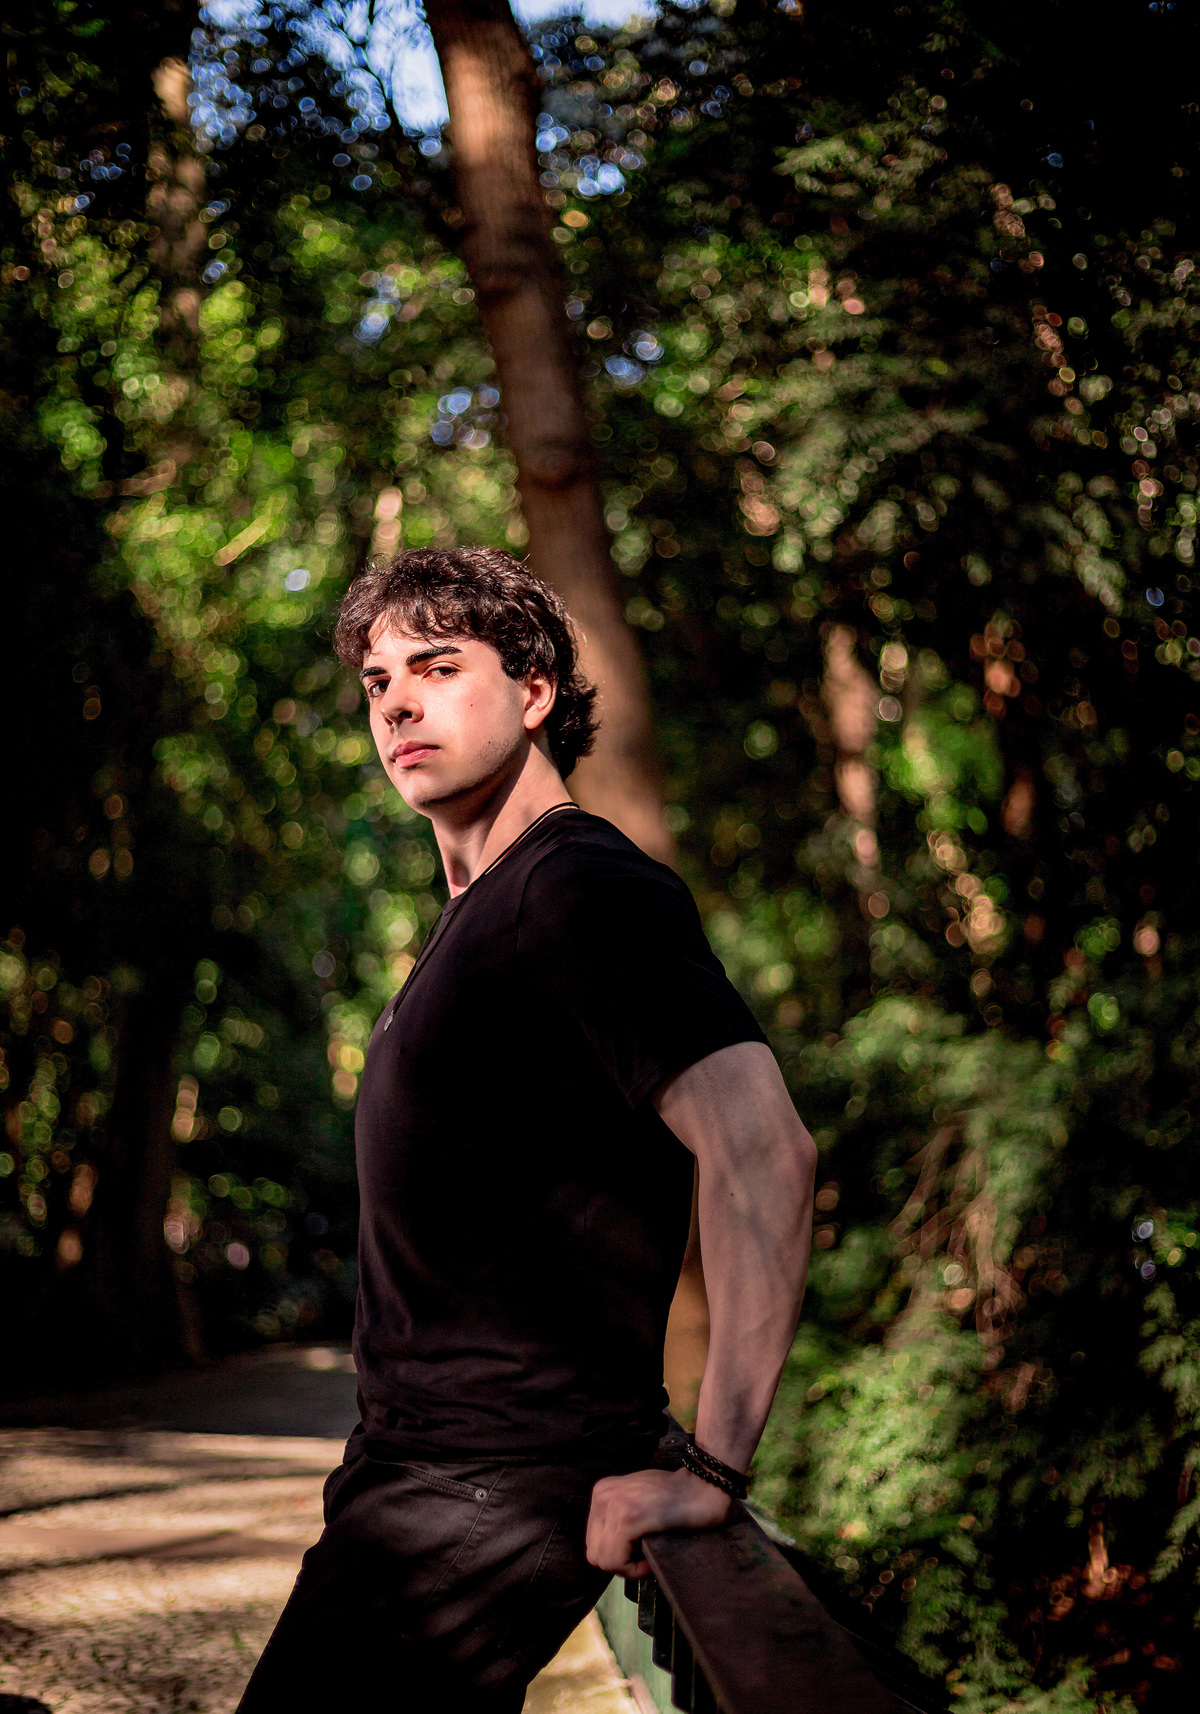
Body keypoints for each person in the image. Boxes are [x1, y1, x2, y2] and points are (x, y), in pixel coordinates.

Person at [236, 547, 816, 1712]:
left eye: (438, 667)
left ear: (535, 689)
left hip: (490, 1486)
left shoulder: (579, 888)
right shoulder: (479, 917)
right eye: (378, 680)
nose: (397, 701)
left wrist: (712, 1468)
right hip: (414, 1483)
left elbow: (764, 1150)